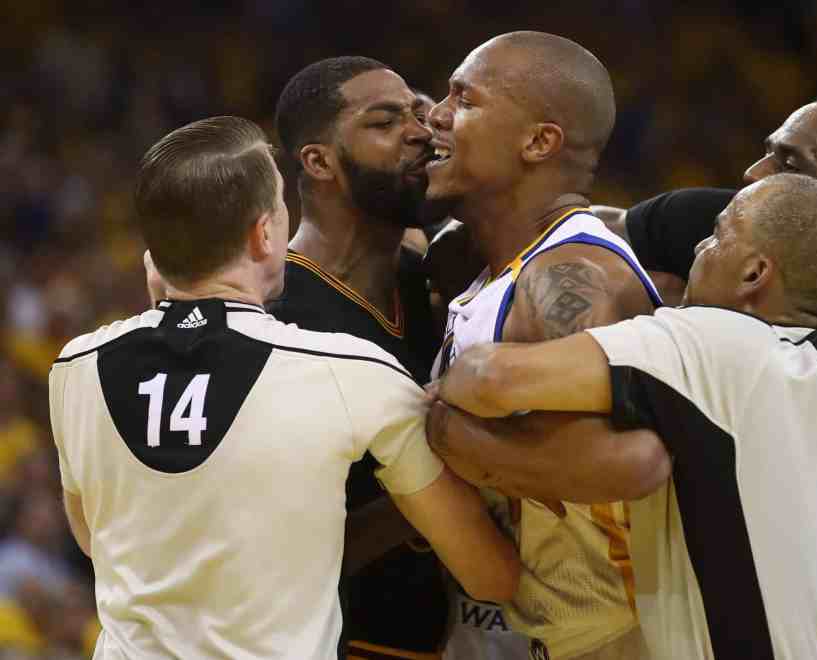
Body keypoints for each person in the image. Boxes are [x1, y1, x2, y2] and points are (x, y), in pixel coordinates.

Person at [49, 116, 519, 659]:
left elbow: (93, 540)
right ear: (264, 233)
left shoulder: (75, 365)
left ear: (153, 252)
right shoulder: (352, 370)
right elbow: (489, 576)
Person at [430, 173, 817, 660]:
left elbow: (488, 377)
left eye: (718, 235)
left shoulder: (724, 344)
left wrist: (442, 427)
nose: (700, 247)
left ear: (754, 274)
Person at [593, 98, 817, 660]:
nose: (753, 174)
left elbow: (814, 573)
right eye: (765, 153)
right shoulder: (731, 222)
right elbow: (584, 235)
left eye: (788, 163)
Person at [426, 31, 663, 660]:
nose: (436, 116)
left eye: (465, 100)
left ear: (538, 142)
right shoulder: (500, 269)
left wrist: (440, 432)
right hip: (536, 633)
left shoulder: (571, 274)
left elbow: (613, 464)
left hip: (613, 638)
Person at [268, 56, 450, 660]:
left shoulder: (436, 283)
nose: (421, 132)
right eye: (385, 122)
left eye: (418, 116)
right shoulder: (271, 313)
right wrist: (444, 486)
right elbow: (268, 545)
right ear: (318, 161)